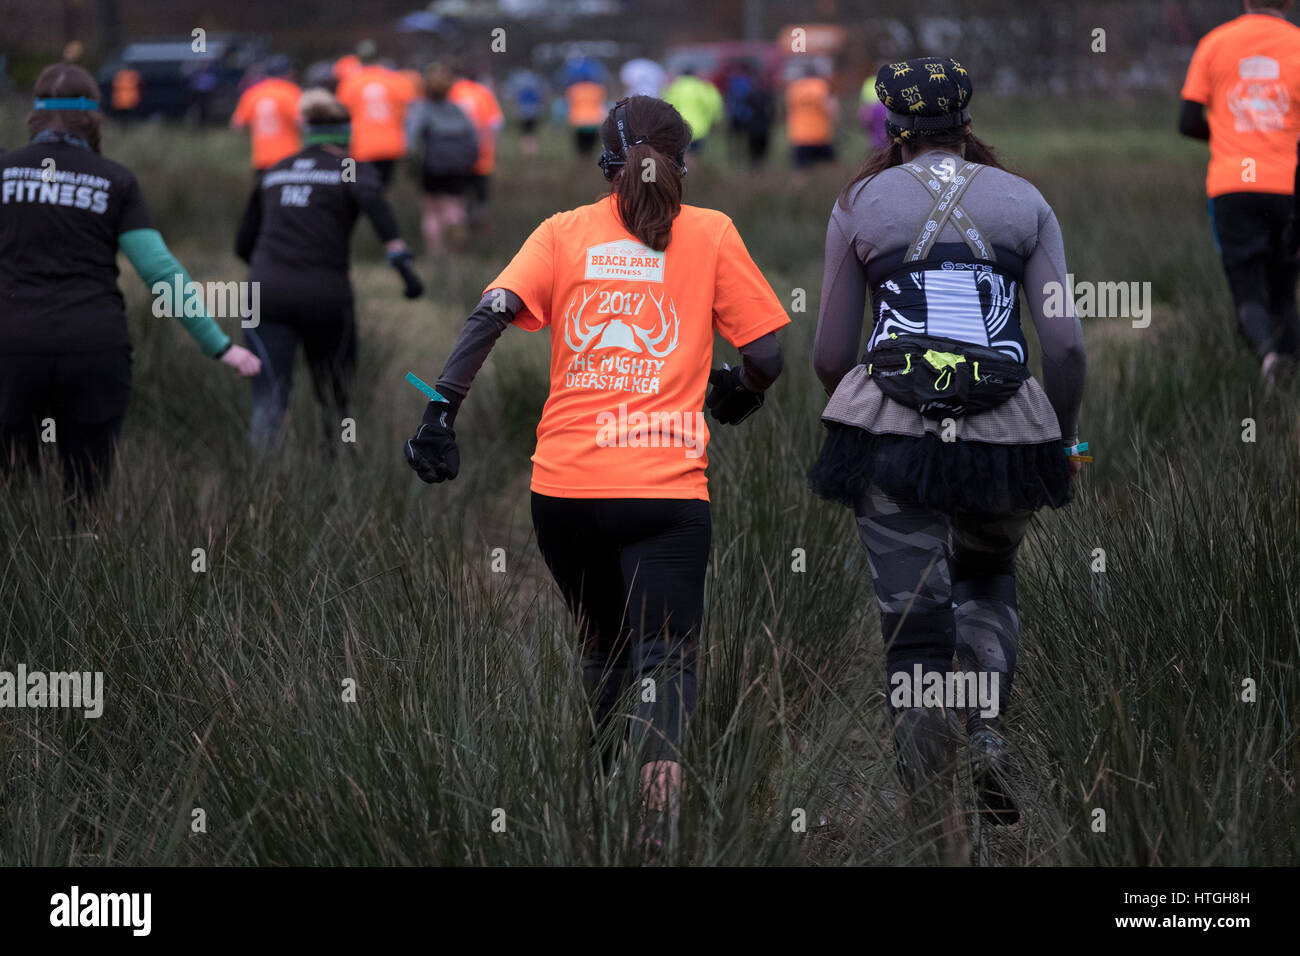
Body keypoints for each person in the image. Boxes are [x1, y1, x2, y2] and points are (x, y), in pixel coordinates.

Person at [403, 96, 789, 850]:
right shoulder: (710, 232)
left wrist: (438, 413)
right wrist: (740, 392)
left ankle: (590, 800)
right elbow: (769, 355)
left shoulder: (562, 232)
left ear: (604, 165)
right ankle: (656, 827)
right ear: (686, 161)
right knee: (666, 660)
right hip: (665, 493)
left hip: (565, 491)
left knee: (603, 644)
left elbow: (490, 312)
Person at [807, 58, 1087, 836]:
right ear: (965, 120)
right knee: (989, 580)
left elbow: (832, 352)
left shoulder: (859, 204)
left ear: (891, 125)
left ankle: (932, 826)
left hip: (893, 434)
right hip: (1007, 437)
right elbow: (1063, 346)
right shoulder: (1026, 202)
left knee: (916, 632)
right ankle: (989, 726)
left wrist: (847, 408)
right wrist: (1060, 439)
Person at [0, 64, 260, 504]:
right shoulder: (114, 180)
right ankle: (84, 563)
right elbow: (161, 273)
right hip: (95, 350)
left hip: (11, 349)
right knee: (85, 492)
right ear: (94, 117)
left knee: (11, 487)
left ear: (35, 115)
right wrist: (220, 345)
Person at [235, 90, 422, 450]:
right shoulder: (352, 169)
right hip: (325, 294)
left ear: (305, 130)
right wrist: (399, 258)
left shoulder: (275, 169)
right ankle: (340, 472)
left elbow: (242, 245)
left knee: (268, 401)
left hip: (264, 294)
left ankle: (261, 488)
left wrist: (276, 272)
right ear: (347, 132)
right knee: (336, 398)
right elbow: (376, 207)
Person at [1180, 0, 1300, 381]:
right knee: (1284, 291)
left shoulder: (1215, 43)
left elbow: (1186, 121)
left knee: (1247, 288)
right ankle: (1287, 379)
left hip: (1233, 186)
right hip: (1289, 187)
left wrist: (1232, 138)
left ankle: (1266, 360)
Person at [407, 64, 480, 256]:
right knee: (455, 208)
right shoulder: (458, 110)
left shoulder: (422, 109)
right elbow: (474, 138)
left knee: (431, 212)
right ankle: (458, 247)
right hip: (458, 167)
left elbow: (411, 140)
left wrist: (412, 165)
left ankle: (436, 254)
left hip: (432, 167)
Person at [336, 44, 417, 187]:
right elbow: (409, 112)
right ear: (379, 58)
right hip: (391, 143)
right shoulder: (395, 80)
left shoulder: (349, 83)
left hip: (361, 146)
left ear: (359, 59)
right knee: (383, 186)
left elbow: (342, 115)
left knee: (361, 185)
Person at [448, 66, 505, 236]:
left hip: (455, 153)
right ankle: (483, 230)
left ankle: (459, 231)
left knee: (457, 195)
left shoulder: (452, 92)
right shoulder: (483, 92)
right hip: (482, 153)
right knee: (481, 194)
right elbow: (496, 122)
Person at [230, 56, 302, 172]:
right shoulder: (292, 92)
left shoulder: (252, 94)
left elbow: (237, 126)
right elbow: (301, 122)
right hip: (288, 158)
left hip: (261, 160)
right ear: (289, 73)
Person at [786, 64, 838, 170]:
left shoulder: (794, 88)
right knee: (832, 169)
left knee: (801, 172)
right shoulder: (821, 86)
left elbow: (788, 109)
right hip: (820, 134)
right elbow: (831, 108)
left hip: (800, 135)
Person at [663, 68, 724, 153]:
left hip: (680, 127)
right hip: (700, 128)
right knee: (695, 154)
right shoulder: (703, 87)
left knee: (682, 154)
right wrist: (715, 119)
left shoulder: (674, 87)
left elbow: (667, 106)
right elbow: (712, 104)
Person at [565, 76, 608, 157]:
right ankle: (589, 160)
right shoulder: (598, 89)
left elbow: (570, 105)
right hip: (594, 121)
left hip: (579, 121)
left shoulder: (573, 89)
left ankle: (582, 161)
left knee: (581, 145)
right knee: (591, 145)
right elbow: (601, 105)